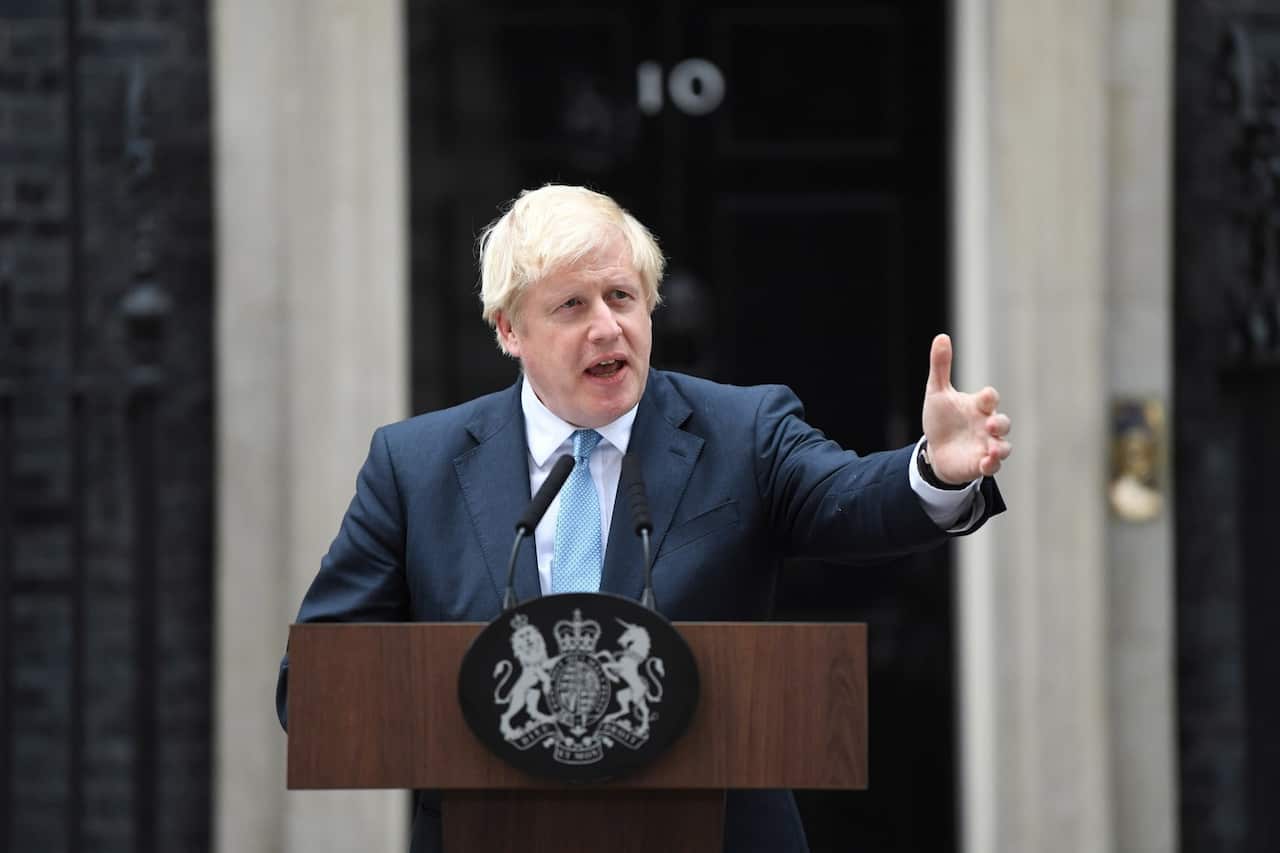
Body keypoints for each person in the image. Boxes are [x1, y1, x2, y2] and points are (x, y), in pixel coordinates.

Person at [276, 184, 1012, 853]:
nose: (607, 328)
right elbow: (315, 686)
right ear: (508, 329)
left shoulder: (743, 430)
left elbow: (849, 500)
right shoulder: (415, 465)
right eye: (572, 306)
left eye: (622, 298)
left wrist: (932, 469)